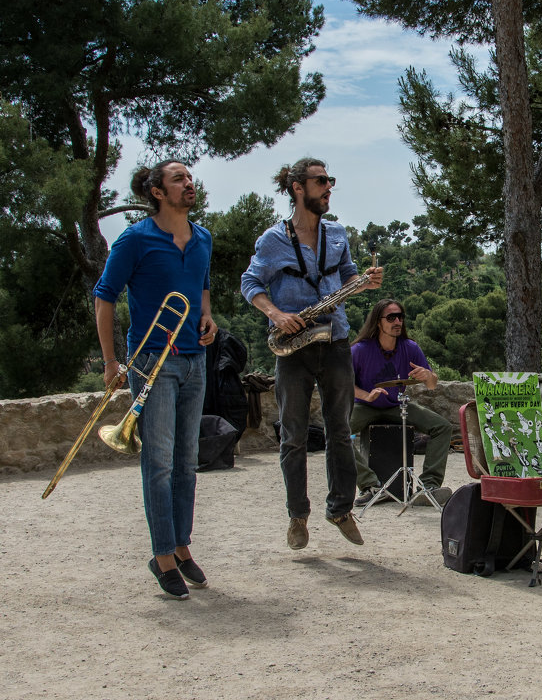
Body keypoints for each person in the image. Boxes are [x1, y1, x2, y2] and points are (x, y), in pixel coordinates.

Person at [241, 157, 383, 551]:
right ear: (297, 188)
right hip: (294, 345)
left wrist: (362, 283)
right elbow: (250, 282)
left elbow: (349, 273)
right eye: (322, 181)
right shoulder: (273, 239)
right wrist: (276, 314)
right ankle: (297, 515)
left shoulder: (337, 233)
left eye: (330, 180)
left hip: (335, 340)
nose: (329, 188)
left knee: (340, 430)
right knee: (293, 436)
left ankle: (340, 509)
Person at [92, 159, 217, 599]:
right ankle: (162, 555)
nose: (189, 184)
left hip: (193, 360)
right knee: (160, 463)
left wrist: (206, 315)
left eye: (189, 178)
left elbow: (202, 285)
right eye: (179, 179)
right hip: (150, 361)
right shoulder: (135, 239)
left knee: (187, 463)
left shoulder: (202, 237)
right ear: (157, 192)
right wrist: (111, 362)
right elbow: (104, 297)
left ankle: (182, 547)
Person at [350, 298, 454, 507]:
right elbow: (345, 385)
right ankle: (371, 486)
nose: (397, 321)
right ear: (378, 322)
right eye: (391, 317)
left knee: (442, 427)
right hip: (364, 405)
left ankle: (428, 486)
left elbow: (432, 385)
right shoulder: (359, 350)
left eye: (400, 317)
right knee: (336, 432)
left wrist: (428, 375)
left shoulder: (410, 347)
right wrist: (367, 396)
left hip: (396, 405)